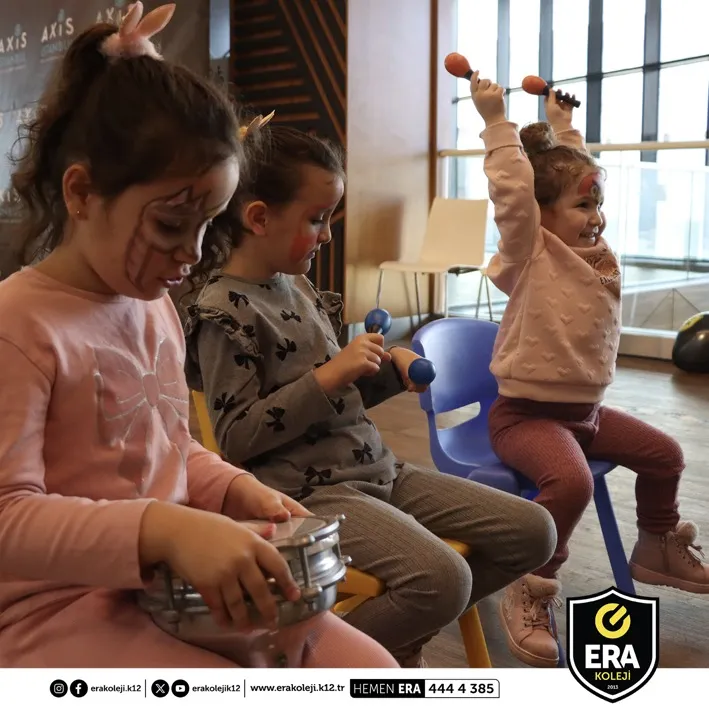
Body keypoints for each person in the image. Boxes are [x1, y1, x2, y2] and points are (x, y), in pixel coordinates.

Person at [0, 2, 397, 670]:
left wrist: (232, 489)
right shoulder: (19, 325)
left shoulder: (153, 305)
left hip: (168, 590)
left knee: (373, 673)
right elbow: (8, 517)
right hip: (52, 612)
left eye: (208, 225)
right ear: (81, 192)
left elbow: (166, 445)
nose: (191, 254)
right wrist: (164, 528)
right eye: (169, 225)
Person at [183, 121, 558, 668]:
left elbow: (337, 397)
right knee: (442, 579)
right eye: (317, 219)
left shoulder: (296, 285)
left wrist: (388, 369)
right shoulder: (222, 312)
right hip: (306, 497)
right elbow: (237, 439)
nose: (327, 235)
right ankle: (313, 667)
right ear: (259, 218)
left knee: (534, 532)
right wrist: (330, 376)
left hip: (379, 471)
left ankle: (398, 638)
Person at [468, 71, 709, 668]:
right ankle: (529, 583)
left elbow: (572, 176)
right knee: (572, 483)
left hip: (586, 415)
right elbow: (514, 194)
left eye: (598, 203)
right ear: (541, 215)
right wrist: (497, 123)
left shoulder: (593, 254)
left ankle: (656, 544)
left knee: (666, 455)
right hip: (524, 418)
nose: (596, 215)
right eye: (583, 206)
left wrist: (563, 128)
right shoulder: (531, 251)